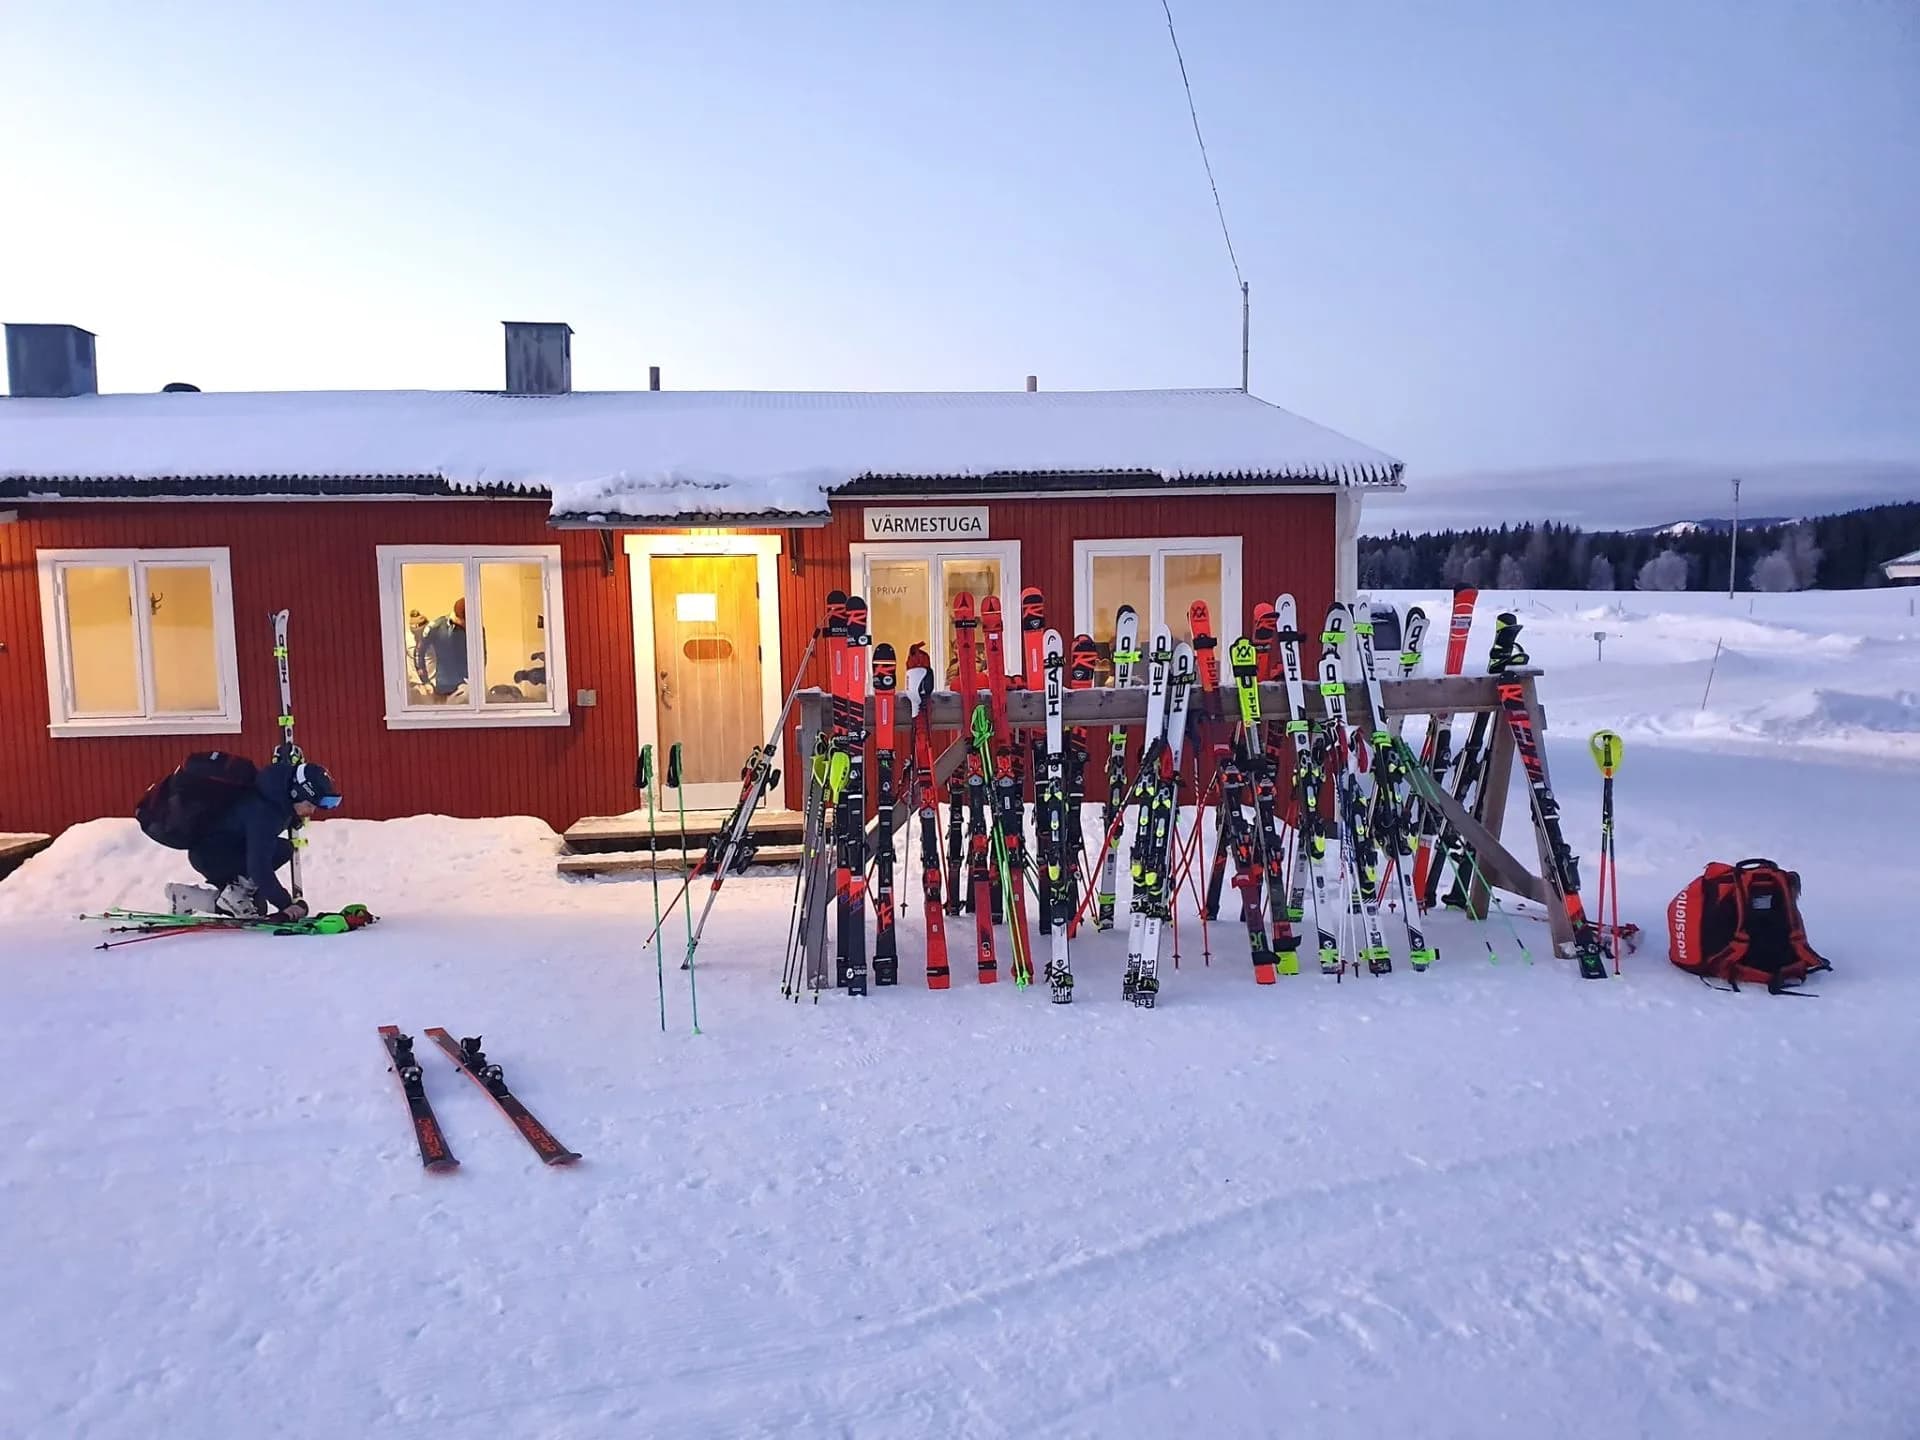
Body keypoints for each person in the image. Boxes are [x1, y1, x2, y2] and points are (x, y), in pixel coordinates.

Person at [164, 759, 341, 920]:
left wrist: (292, 817)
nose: (311, 812)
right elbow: (259, 866)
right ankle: (185, 896)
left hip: (227, 849)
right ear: (296, 793)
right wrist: (287, 905)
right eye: (309, 805)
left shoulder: (277, 794)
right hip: (212, 856)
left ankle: (191, 898)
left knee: (283, 850)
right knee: (235, 901)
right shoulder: (265, 812)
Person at [413, 598, 469, 700]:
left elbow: (482, 656)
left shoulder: (475, 628)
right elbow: (419, 653)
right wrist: (425, 681)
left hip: (467, 685)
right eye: (466, 621)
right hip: (443, 687)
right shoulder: (436, 627)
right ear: (460, 618)